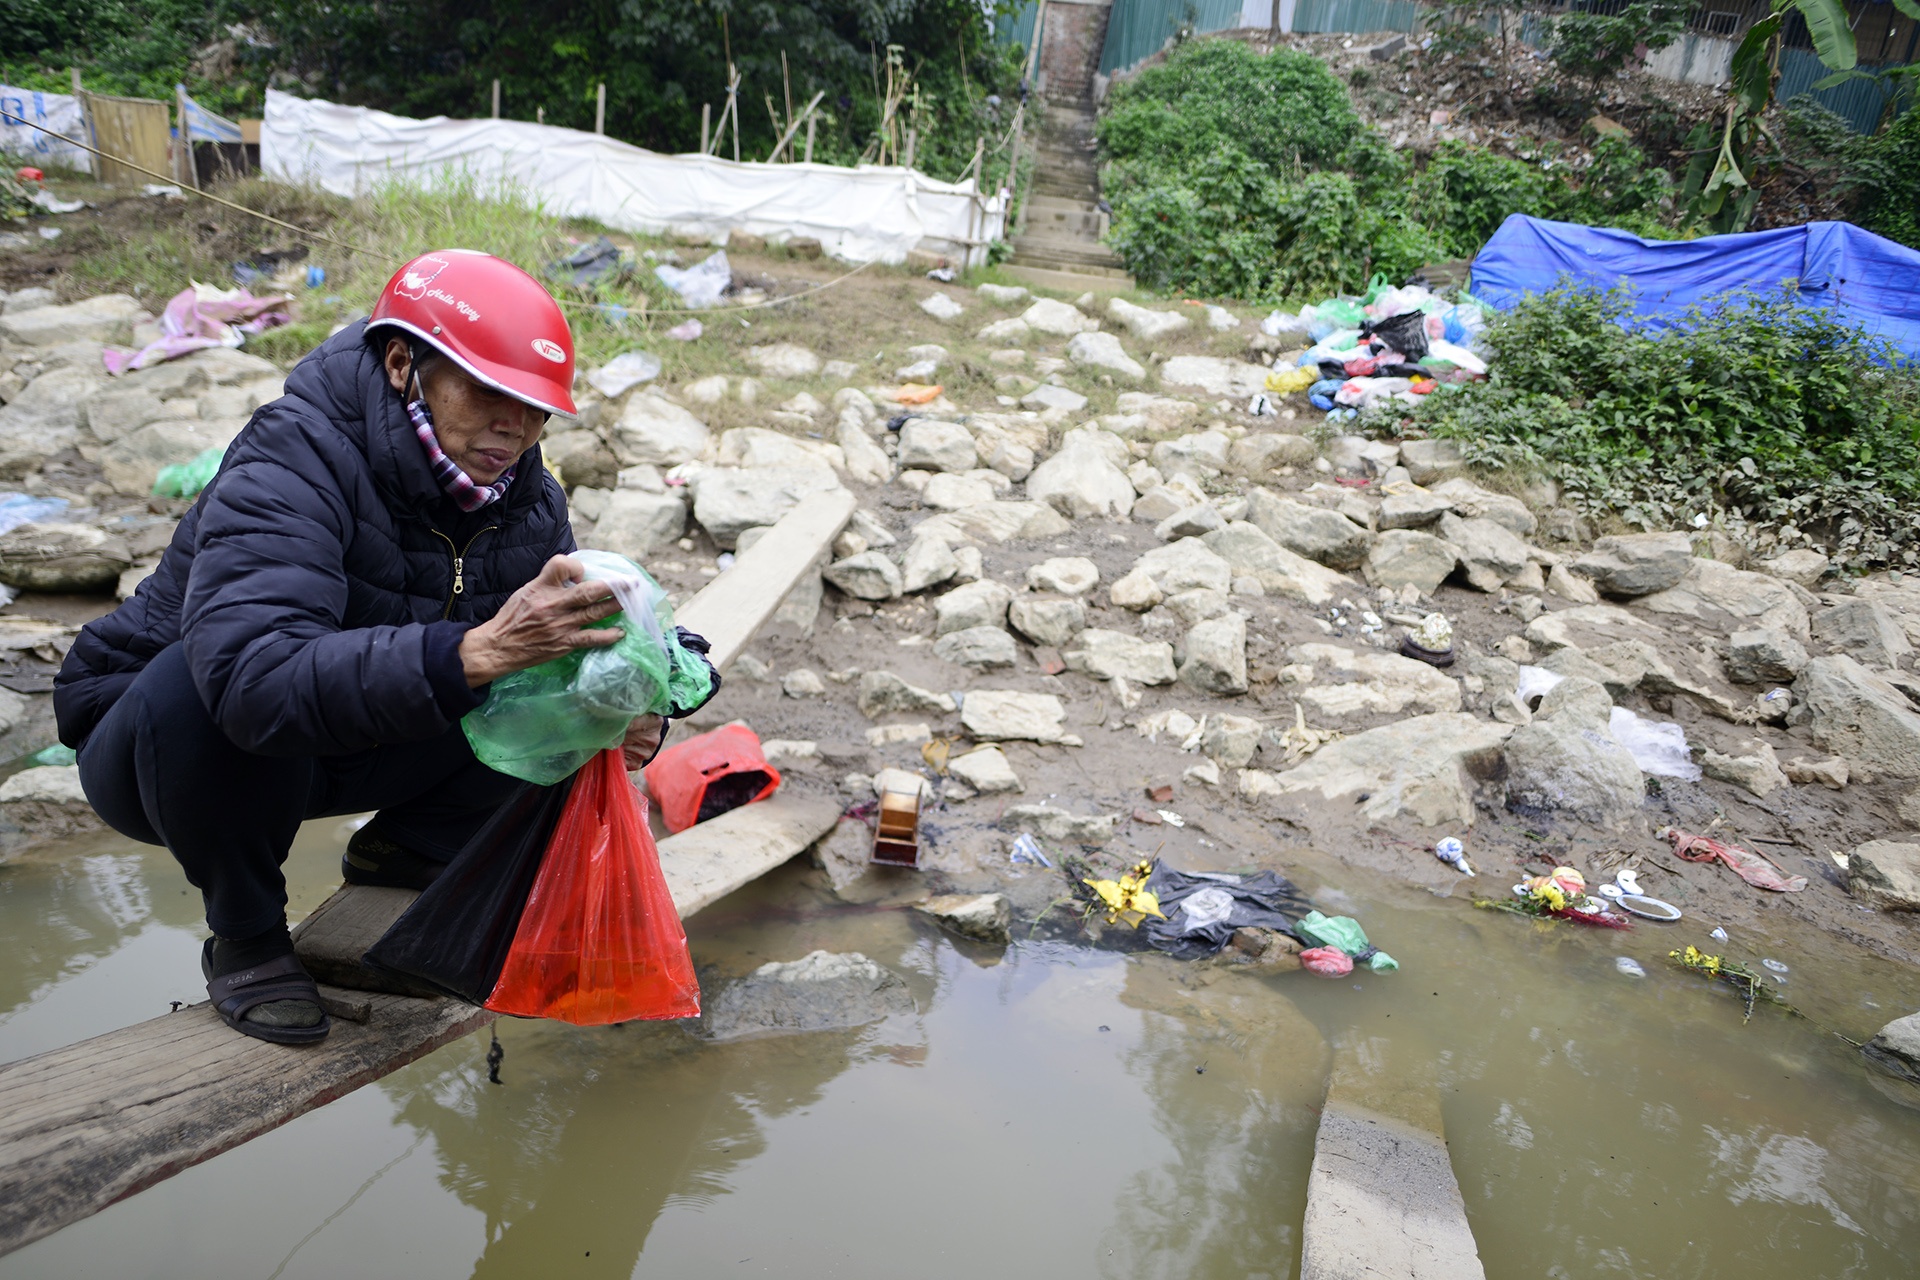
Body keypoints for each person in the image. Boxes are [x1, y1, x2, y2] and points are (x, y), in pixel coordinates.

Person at [54, 250, 693, 1045]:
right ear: (402, 364)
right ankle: (247, 934)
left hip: (345, 744)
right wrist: (479, 652)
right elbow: (254, 683)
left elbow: (562, 630)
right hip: (163, 752)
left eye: (534, 408)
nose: (515, 427)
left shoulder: (526, 496)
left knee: (561, 685)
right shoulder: (297, 455)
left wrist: (643, 687)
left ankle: (409, 846)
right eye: (488, 391)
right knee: (202, 677)